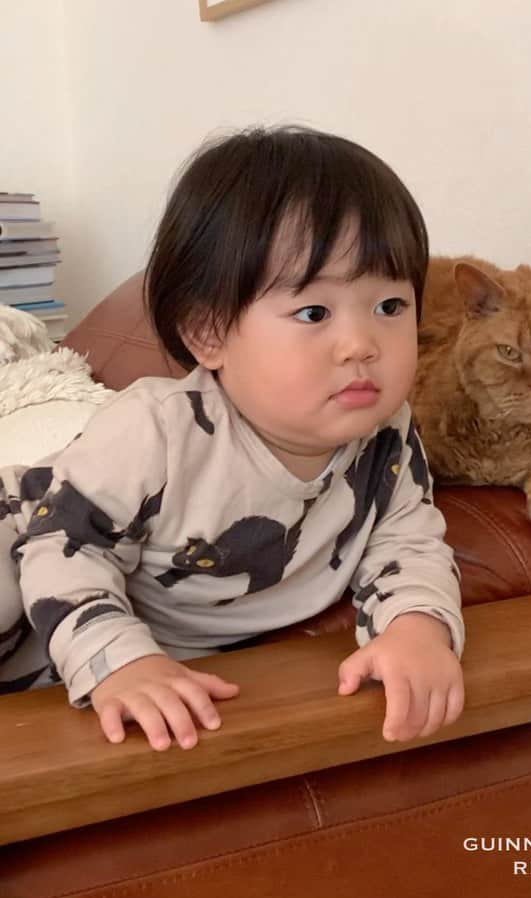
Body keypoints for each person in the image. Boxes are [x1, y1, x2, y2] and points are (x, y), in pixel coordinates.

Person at [0, 125, 465, 751]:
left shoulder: (386, 435)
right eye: (314, 313)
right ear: (209, 335)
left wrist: (417, 627)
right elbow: (62, 544)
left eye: (390, 306)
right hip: (30, 529)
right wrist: (123, 660)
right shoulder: (157, 429)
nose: (362, 345)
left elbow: (409, 543)